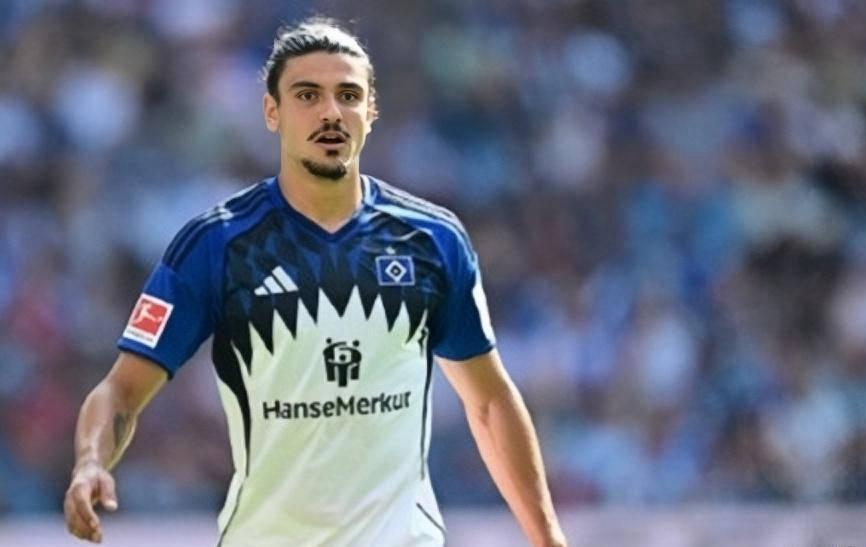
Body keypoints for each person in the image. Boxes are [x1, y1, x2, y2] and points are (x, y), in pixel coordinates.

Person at [63, 15, 567, 547]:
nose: (330, 112)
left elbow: (489, 402)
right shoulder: (217, 244)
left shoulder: (432, 240)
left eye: (348, 95)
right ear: (272, 112)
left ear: (371, 112)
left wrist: (547, 537)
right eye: (307, 95)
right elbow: (121, 390)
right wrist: (90, 462)